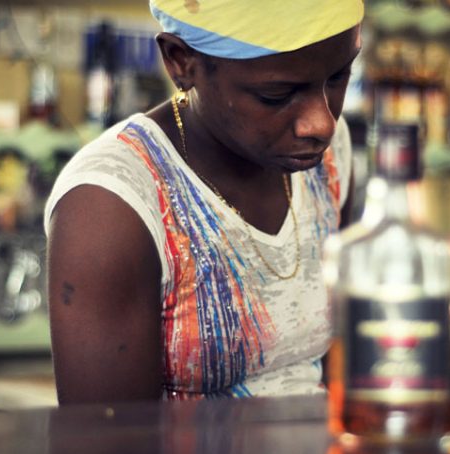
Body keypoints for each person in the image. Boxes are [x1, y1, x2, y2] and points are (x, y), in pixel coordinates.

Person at [44, 0, 364, 404]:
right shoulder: (112, 203)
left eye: (338, 78)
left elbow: (340, 367)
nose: (322, 123)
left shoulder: (331, 157)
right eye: (276, 95)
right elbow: (109, 439)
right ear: (181, 61)